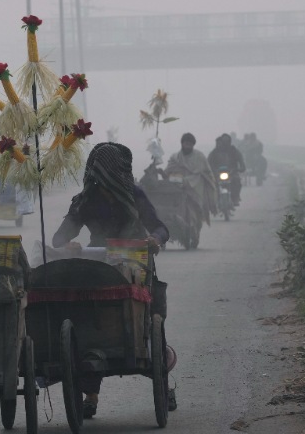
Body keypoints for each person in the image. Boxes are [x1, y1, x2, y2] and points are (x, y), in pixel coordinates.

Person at [52, 142, 175, 417]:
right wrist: (67, 246)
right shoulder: (85, 199)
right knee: (92, 324)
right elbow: (59, 237)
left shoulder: (135, 194)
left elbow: (160, 227)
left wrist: (154, 240)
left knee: (147, 322)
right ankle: (91, 396)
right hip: (98, 266)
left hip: (135, 262)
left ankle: (164, 387)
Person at [164, 133, 217, 242]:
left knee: (196, 212)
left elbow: (207, 173)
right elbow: (167, 171)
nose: (187, 146)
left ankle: (195, 233)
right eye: (186, 143)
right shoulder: (175, 157)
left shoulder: (200, 157)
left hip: (195, 189)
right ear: (182, 144)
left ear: (193, 145)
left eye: (190, 144)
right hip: (177, 190)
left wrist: (188, 181)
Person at [208, 133, 246, 206]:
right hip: (217, 173)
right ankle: (213, 200)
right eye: (224, 141)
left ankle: (235, 198)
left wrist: (240, 168)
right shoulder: (214, 152)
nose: (225, 143)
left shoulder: (234, 150)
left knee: (237, 180)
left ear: (230, 142)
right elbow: (208, 163)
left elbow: (241, 162)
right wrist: (210, 170)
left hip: (232, 172)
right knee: (211, 184)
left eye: (227, 141)